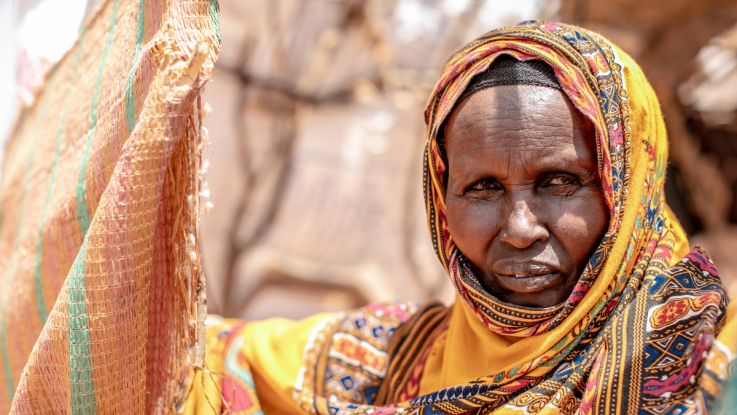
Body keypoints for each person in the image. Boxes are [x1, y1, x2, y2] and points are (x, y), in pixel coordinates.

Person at [184, 21, 737, 415]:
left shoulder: (709, 357)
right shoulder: (393, 362)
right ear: (442, 205)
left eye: (559, 182)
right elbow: (201, 363)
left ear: (629, 187)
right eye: (482, 189)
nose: (520, 229)